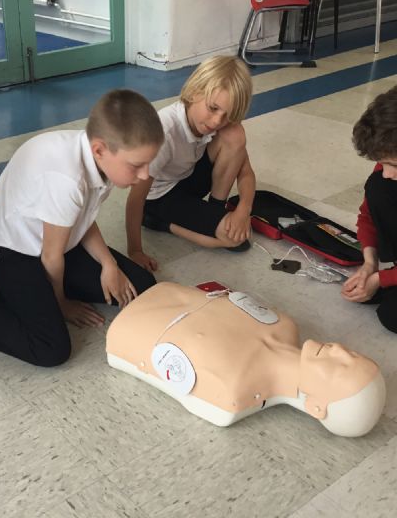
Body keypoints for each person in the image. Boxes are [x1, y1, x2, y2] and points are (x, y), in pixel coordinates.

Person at [0, 89, 164, 367]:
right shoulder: (67, 178)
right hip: (13, 250)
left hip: (55, 241)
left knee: (141, 285)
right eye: (137, 165)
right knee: (50, 348)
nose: (144, 174)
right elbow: (51, 257)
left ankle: (16, 295)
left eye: (148, 163)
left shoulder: (101, 158)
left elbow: (81, 218)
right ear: (100, 150)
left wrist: (109, 264)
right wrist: (61, 304)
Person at [107, 282, 385, 437]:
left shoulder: (233, 391)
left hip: (129, 323)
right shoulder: (285, 325)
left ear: (316, 407)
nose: (339, 350)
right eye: (352, 354)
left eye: (341, 367)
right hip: (163, 293)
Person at [126, 56, 255, 271]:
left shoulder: (215, 123)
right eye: (213, 108)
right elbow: (135, 198)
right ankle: (161, 223)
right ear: (195, 92)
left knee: (235, 133)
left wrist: (244, 209)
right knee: (236, 240)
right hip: (159, 198)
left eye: (227, 114)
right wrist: (135, 251)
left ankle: (215, 209)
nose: (217, 121)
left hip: (187, 176)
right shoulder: (163, 132)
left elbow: (246, 173)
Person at [342, 86, 397, 333]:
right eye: (382, 163)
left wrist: (382, 279)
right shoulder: (387, 169)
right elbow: (367, 216)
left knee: (392, 316)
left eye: (393, 164)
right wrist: (369, 263)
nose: (387, 172)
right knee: (379, 187)